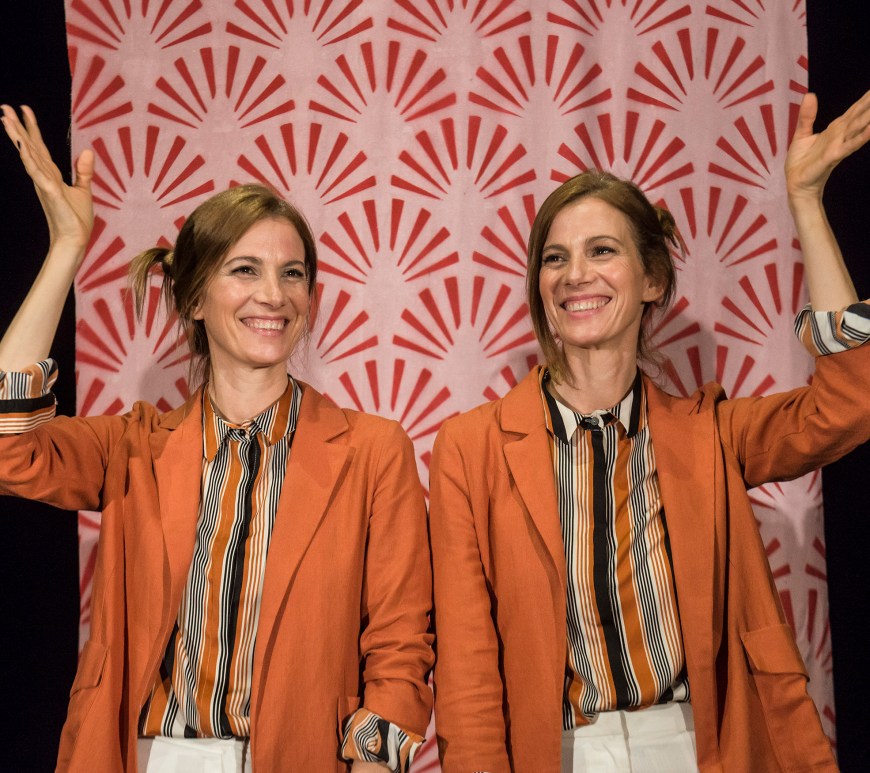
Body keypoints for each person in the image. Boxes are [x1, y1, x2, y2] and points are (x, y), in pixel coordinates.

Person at [429, 89, 870, 772]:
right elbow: (467, 669)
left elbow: (848, 404)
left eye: (602, 250)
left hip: (703, 748)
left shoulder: (711, 432)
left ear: (653, 280)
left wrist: (806, 202)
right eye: (554, 258)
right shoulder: (471, 448)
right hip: (563, 752)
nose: (575, 275)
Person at [0, 104, 433, 772]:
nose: (274, 294)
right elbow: (10, 446)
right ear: (194, 300)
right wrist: (66, 250)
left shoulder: (373, 450)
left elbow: (400, 643)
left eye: (293, 273)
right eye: (245, 269)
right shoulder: (134, 446)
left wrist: (375, 759)